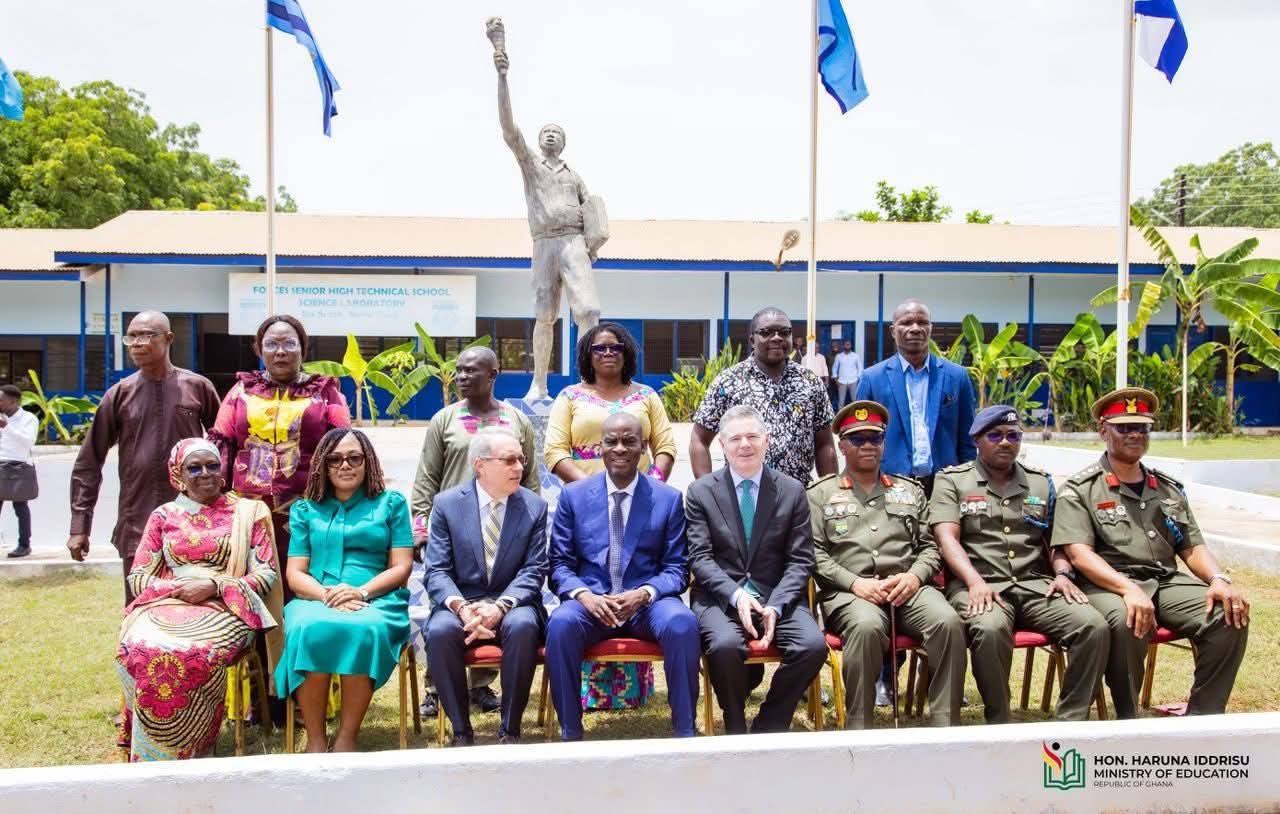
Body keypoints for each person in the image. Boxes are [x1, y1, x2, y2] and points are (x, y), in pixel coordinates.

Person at [1052, 388, 1249, 718]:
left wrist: (1217, 578)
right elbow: (1080, 554)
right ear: (1103, 431)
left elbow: (1192, 545)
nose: (1134, 435)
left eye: (1141, 428)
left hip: (1164, 582)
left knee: (1227, 615)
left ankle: (1203, 717)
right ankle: (1130, 718)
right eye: (1123, 427)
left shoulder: (1168, 488)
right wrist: (1128, 589)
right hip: (1106, 586)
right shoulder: (1080, 489)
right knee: (1128, 619)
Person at [931, 405, 1108, 723]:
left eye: (1013, 435)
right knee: (989, 628)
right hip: (979, 584)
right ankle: (1000, 721)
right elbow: (947, 539)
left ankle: (1070, 721)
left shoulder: (1040, 483)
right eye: (995, 435)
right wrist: (974, 582)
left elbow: (1055, 541)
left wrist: (1064, 573)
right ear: (977, 439)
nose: (1005, 442)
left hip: (1034, 584)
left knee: (1092, 626)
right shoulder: (953, 481)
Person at [116, 439, 281, 761]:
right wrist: (180, 590)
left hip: (227, 606)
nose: (205, 473)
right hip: (168, 604)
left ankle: (193, 751)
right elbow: (138, 578)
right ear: (178, 474)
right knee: (138, 646)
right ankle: (150, 754)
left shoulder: (248, 513)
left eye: (212, 465)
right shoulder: (163, 516)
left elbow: (266, 574)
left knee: (195, 652)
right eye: (194, 467)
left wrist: (214, 586)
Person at [544, 322, 677, 710]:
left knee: (631, 578)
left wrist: (644, 487)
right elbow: (555, 451)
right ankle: (586, 696)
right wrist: (594, 489)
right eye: (599, 348)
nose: (607, 353)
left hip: (640, 503)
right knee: (595, 584)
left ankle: (630, 694)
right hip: (585, 506)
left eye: (615, 347)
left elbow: (665, 444)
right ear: (587, 354)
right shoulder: (570, 397)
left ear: (627, 353)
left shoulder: (646, 396)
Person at [810, 401, 965, 729]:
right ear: (842, 445)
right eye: (857, 439)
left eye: (875, 438)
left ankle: (945, 726)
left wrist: (914, 577)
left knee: (948, 622)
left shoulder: (909, 490)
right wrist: (856, 584)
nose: (867, 445)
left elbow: (930, 547)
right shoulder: (820, 494)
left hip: (907, 588)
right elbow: (815, 554)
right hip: (850, 593)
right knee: (866, 628)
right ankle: (859, 727)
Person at [545, 412, 700, 740]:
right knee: (560, 624)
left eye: (629, 441)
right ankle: (570, 734)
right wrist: (583, 596)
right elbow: (559, 565)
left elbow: (677, 569)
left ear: (643, 447)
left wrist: (644, 593)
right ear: (598, 447)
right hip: (592, 604)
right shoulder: (573, 497)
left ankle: (685, 733)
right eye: (611, 441)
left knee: (682, 623)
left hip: (646, 606)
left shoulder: (667, 499)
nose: (619, 448)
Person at [410, 346, 539, 718]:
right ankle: (438, 689)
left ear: (494, 375)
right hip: (453, 534)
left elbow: (529, 483)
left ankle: (482, 686)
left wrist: (528, 529)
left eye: (471, 371)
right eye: (459, 370)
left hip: (503, 532)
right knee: (451, 610)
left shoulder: (516, 421)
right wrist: (422, 529)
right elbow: (426, 480)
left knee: (496, 603)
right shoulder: (444, 420)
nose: (462, 377)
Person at [686, 405, 826, 734]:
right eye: (735, 438)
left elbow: (801, 559)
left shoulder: (791, 491)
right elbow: (700, 557)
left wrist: (776, 605)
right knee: (723, 647)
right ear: (721, 444)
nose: (744, 444)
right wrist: (736, 596)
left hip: (776, 595)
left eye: (752, 436)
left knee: (812, 646)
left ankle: (769, 724)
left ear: (767, 441)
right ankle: (734, 722)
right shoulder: (701, 492)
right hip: (720, 596)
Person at [274, 428, 414, 752]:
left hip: (377, 596)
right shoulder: (306, 510)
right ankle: (316, 740)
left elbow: (401, 567)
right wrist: (327, 595)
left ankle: (347, 738)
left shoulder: (390, 504)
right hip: (315, 595)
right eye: (335, 459)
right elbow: (295, 574)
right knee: (308, 627)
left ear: (368, 462)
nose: (345, 465)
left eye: (354, 457)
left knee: (364, 629)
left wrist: (361, 592)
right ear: (323, 465)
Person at [68, 311, 221, 603]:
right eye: (132, 336)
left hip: (196, 521)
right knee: (140, 606)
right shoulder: (119, 394)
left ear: (169, 339)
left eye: (146, 335)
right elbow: (89, 463)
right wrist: (79, 526)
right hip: (137, 521)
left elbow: (224, 448)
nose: (137, 343)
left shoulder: (198, 388)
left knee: (195, 608)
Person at [491, 19, 604, 402]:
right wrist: (502, 74)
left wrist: (593, 245)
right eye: (544, 133)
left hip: (574, 243)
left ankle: (590, 381)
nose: (549, 135)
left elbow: (594, 213)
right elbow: (509, 130)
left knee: (588, 310)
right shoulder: (532, 165)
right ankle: (539, 383)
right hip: (544, 243)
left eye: (556, 132)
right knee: (544, 315)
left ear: (564, 142)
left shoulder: (574, 176)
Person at [209, 314, 351, 599]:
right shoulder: (241, 391)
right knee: (249, 588)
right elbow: (220, 447)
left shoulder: (325, 393)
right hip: (247, 514)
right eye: (271, 344)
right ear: (259, 350)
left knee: (305, 589)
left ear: (303, 348)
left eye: (289, 343)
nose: (281, 351)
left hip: (311, 512)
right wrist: (213, 506)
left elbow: (346, 449)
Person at [425, 428, 549, 745]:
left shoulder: (534, 506)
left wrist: (499, 607)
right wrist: (463, 609)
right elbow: (437, 571)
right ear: (480, 465)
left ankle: (510, 730)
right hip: (460, 604)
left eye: (521, 459)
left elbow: (535, 569)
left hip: (512, 605)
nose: (519, 467)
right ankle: (461, 732)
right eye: (509, 460)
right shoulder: (446, 505)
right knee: (439, 632)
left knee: (523, 626)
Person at [691, 307, 836, 486]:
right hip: (744, 498)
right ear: (752, 340)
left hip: (800, 498)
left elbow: (824, 443)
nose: (777, 337)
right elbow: (699, 439)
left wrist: (830, 492)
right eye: (766, 332)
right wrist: (707, 491)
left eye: (784, 332)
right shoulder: (728, 382)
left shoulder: (810, 382)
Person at [856, 300, 976, 497]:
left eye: (922, 322)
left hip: (945, 486)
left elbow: (967, 440)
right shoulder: (872, 378)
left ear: (930, 328)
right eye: (907, 322)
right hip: (890, 486)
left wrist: (967, 485)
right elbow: (860, 440)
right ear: (893, 330)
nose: (915, 328)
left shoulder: (957, 376)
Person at [0, 384, 38, 558]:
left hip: (19, 467)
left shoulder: (29, 419)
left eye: (1, 400)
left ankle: (24, 545)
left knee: (20, 507)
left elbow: (27, 442)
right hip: (1, 465)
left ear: (13, 401)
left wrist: (6, 427)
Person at [832, 340, 863, 409]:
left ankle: (855, 416)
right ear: (843, 346)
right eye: (846, 344)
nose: (847, 346)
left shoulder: (855, 356)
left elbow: (860, 368)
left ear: (851, 346)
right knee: (841, 402)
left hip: (853, 381)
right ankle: (840, 418)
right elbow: (834, 368)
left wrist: (858, 378)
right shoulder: (839, 356)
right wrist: (836, 379)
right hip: (842, 382)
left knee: (854, 400)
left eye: (849, 344)